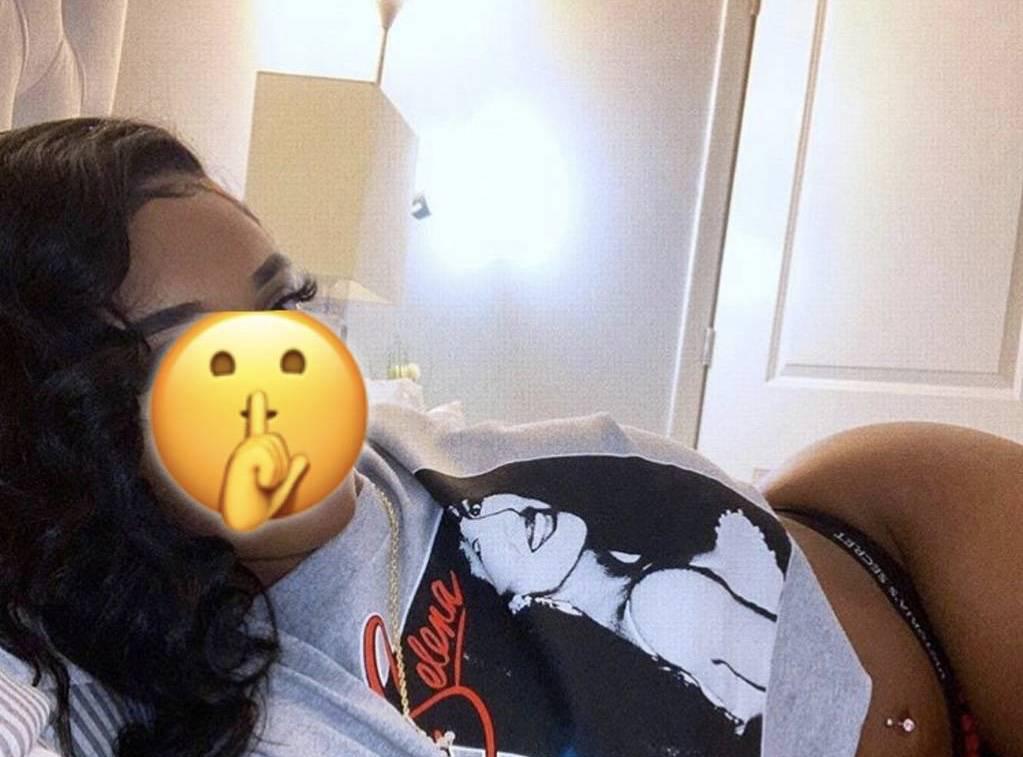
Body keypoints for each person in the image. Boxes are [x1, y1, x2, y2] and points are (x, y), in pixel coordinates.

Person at [0, 117, 1016, 757]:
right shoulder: (266, 714)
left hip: (898, 547)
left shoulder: (395, 446)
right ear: (78, 446)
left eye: (285, 308)